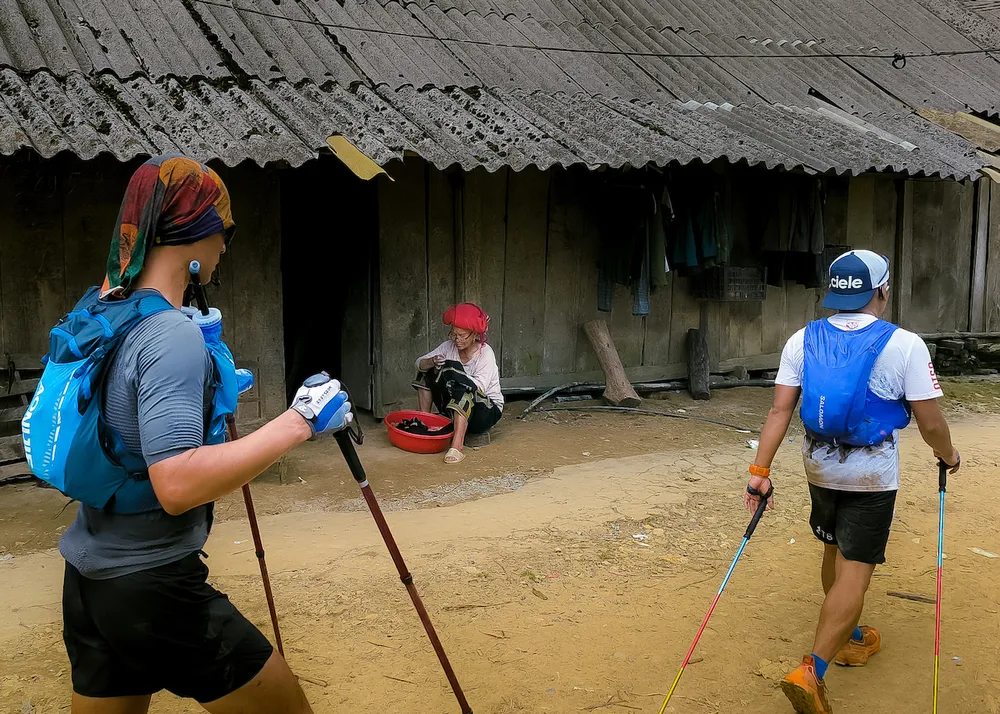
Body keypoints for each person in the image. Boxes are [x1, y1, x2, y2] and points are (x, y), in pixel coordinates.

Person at [48, 155, 353, 714]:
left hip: (88, 577)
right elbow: (177, 484)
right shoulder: (170, 336)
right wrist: (300, 421)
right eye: (224, 231)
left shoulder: (104, 307)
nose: (225, 248)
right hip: (152, 584)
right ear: (196, 235)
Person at [745, 250, 961, 714]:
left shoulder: (803, 339)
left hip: (818, 463)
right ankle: (813, 669)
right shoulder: (904, 344)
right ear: (882, 291)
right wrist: (949, 456)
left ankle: (851, 635)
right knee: (856, 569)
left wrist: (758, 474)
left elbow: (780, 410)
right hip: (871, 471)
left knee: (833, 548)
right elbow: (929, 421)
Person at [413, 303, 503, 464]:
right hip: (456, 404)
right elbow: (419, 363)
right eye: (453, 334)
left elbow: (479, 387)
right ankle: (425, 424)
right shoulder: (448, 347)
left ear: (475, 334)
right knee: (426, 373)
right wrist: (431, 361)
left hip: (486, 410)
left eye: (462, 335)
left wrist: (452, 372)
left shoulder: (485, 353)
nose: (457, 339)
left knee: (463, 388)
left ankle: (457, 446)